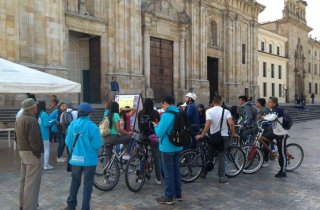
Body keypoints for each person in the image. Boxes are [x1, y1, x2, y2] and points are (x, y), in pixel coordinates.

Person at [65, 102, 102, 210]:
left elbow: (68, 142)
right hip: (89, 160)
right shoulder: (93, 127)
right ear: (89, 113)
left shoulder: (72, 125)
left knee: (74, 183)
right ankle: (85, 207)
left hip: (75, 159)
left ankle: (71, 205)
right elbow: (97, 145)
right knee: (87, 185)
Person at [195, 95, 237, 183]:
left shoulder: (209, 111)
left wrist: (202, 134)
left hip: (213, 136)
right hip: (224, 136)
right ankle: (221, 177)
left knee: (209, 155)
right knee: (222, 156)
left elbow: (208, 124)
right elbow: (231, 123)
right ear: (221, 102)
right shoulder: (226, 111)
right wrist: (233, 134)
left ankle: (204, 172)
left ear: (213, 102)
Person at [15, 98, 43, 210]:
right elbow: (34, 140)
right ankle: (29, 207)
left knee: (24, 180)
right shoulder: (31, 120)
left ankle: (22, 204)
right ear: (32, 107)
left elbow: (15, 137)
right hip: (32, 153)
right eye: (35, 106)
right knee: (32, 183)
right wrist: (37, 153)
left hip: (23, 152)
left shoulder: (19, 119)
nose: (36, 107)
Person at [155, 96, 183, 205]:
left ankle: (169, 196)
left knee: (168, 173)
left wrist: (156, 126)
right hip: (178, 146)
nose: (162, 107)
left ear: (165, 103)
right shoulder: (179, 112)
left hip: (167, 147)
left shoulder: (167, 115)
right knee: (176, 170)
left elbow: (159, 133)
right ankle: (178, 193)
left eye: (162, 104)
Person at [260, 97, 288, 178]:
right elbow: (269, 115)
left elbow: (272, 117)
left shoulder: (278, 109)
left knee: (281, 153)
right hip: (275, 131)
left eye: (270, 102)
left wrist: (263, 118)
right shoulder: (273, 109)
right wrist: (262, 118)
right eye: (268, 102)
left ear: (274, 103)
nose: (268, 103)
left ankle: (283, 171)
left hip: (281, 133)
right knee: (263, 137)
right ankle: (270, 152)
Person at [138, 98, 162, 185]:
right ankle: (158, 178)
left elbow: (139, 126)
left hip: (142, 137)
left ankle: (141, 176)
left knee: (141, 157)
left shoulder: (140, 113)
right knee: (156, 158)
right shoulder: (155, 113)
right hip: (152, 137)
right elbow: (160, 123)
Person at [37, 101, 55, 170]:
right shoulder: (44, 113)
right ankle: (46, 165)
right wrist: (52, 122)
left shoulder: (39, 113)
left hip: (40, 134)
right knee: (47, 150)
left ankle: (42, 164)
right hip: (45, 134)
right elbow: (46, 124)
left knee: (42, 151)